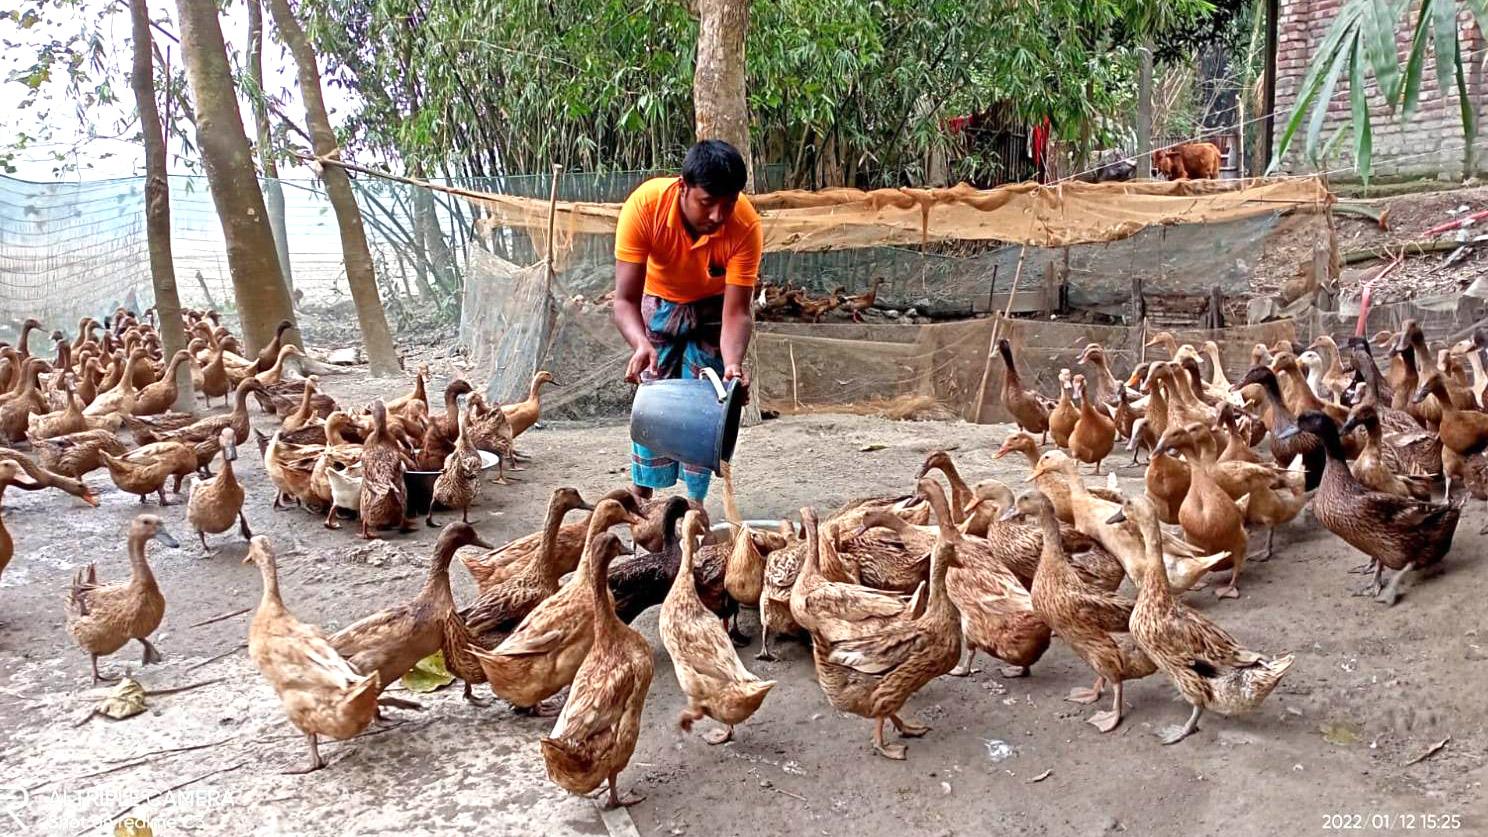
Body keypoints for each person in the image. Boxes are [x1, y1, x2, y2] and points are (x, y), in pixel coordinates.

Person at [612, 139, 762, 504]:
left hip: (713, 310)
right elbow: (624, 300)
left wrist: (732, 365)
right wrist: (641, 344)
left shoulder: (744, 225)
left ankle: (696, 505)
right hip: (660, 303)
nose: (716, 217)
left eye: (726, 205)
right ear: (683, 187)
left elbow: (737, 312)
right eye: (707, 203)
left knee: (709, 401)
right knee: (652, 395)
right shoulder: (645, 207)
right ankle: (642, 500)